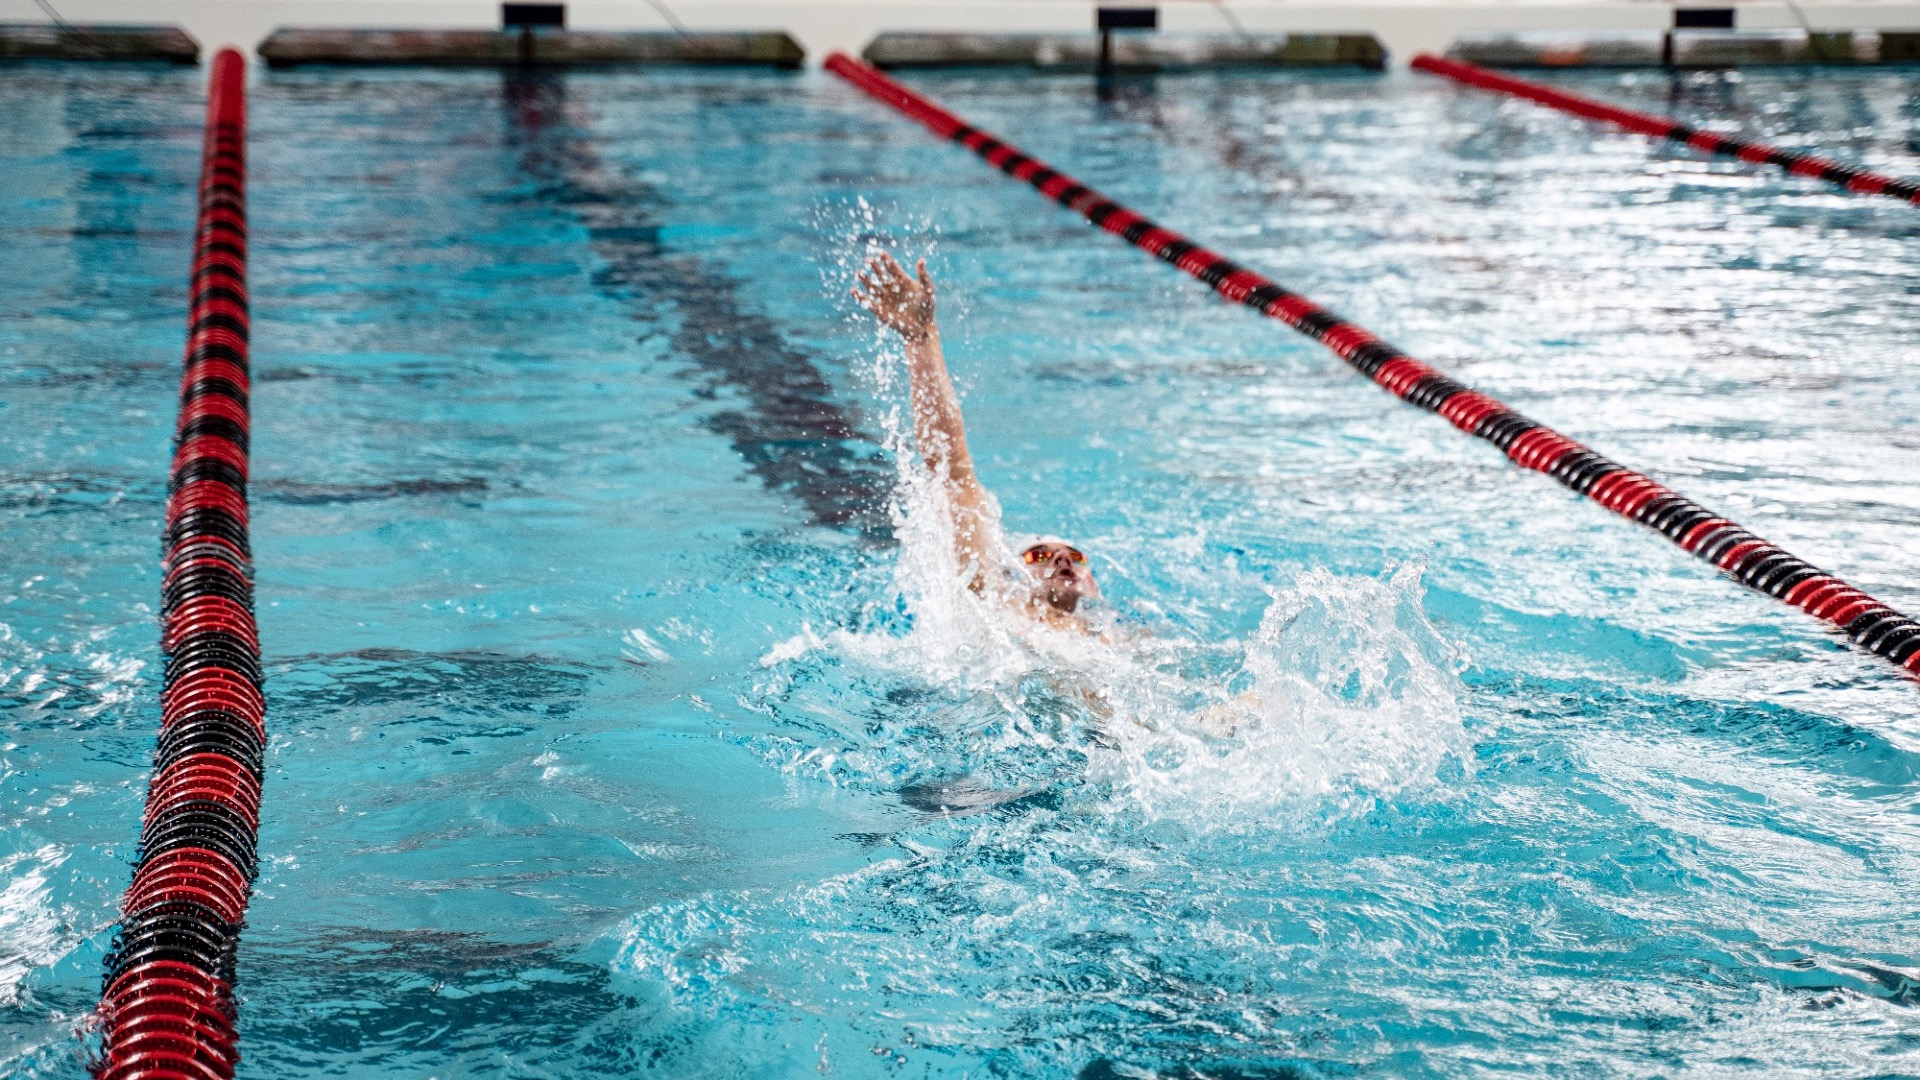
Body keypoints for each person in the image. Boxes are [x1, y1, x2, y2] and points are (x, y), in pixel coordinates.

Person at [853, 253, 1100, 632]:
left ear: (1095, 585)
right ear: (1014, 576)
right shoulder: (999, 612)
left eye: (1075, 556)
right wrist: (922, 341)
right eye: (1039, 555)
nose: (1061, 561)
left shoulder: (1124, 641)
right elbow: (952, 469)